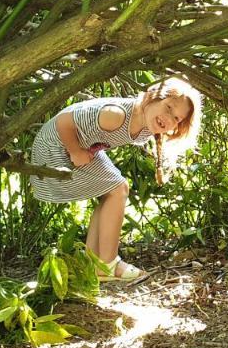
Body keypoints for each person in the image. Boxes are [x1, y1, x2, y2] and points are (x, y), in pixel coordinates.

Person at [29, 77, 201, 282]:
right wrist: (75, 151)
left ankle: (94, 263)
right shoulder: (116, 115)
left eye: (177, 119)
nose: (170, 119)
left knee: (114, 190)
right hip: (55, 147)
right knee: (118, 189)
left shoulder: (146, 126)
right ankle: (108, 263)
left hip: (80, 145)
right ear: (152, 97)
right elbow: (63, 121)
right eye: (168, 107)